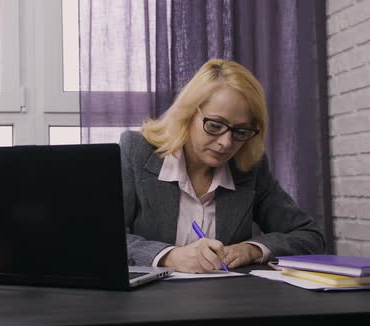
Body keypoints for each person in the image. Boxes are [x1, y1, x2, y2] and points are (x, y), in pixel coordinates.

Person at [120, 59, 325, 273]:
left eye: (241, 131)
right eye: (215, 125)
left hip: (227, 301)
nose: (226, 143)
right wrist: (169, 256)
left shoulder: (249, 169)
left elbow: (310, 237)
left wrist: (252, 249)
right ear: (187, 114)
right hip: (151, 302)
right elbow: (99, 238)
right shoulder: (137, 152)